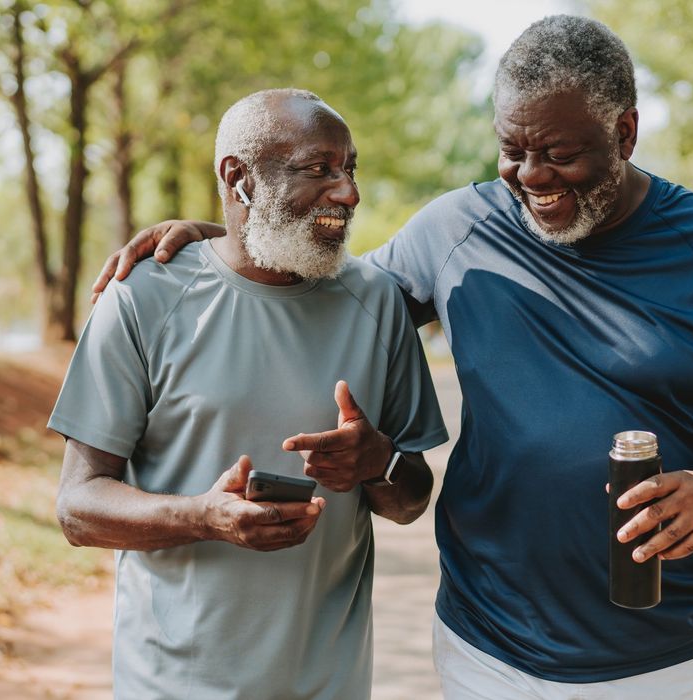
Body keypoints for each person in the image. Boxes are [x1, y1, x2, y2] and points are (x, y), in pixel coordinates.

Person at [92, 16, 693, 699]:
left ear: (626, 132)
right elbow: (325, 286)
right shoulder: (457, 228)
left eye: (560, 154)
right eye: (512, 151)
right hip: (489, 645)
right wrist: (225, 234)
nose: (532, 177)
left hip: (679, 652)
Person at [50, 88, 448, 700]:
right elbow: (78, 508)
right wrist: (203, 517)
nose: (348, 192)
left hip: (329, 683)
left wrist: (379, 462)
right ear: (239, 178)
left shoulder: (376, 302)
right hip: (171, 683)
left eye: (350, 169)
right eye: (319, 169)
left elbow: (409, 501)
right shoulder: (143, 298)